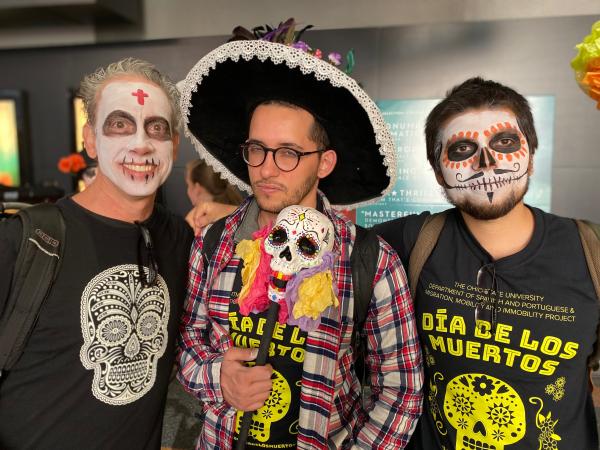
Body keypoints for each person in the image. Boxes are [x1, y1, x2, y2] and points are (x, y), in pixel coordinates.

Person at [177, 20, 423, 450]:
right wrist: (219, 377)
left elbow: (401, 391)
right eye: (257, 149)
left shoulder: (370, 260)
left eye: (289, 153)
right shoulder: (213, 243)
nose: (267, 169)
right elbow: (187, 345)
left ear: (324, 163)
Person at [374, 77, 599, 449]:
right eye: (462, 149)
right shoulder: (410, 243)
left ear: (532, 152)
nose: (486, 164)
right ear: (436, 171)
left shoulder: (591, 252)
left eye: (505, 142)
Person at [0, 57, 193, 449]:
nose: (140, 144)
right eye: (120, 124)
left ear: (173, 144)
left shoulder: (179, 239)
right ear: (90, 139)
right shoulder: (28, 240)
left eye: (156, 128)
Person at [184, 159, 243, 229]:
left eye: (188, 185)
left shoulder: (197, 225)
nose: (187, 191)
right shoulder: (242, 215)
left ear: (197, 188)